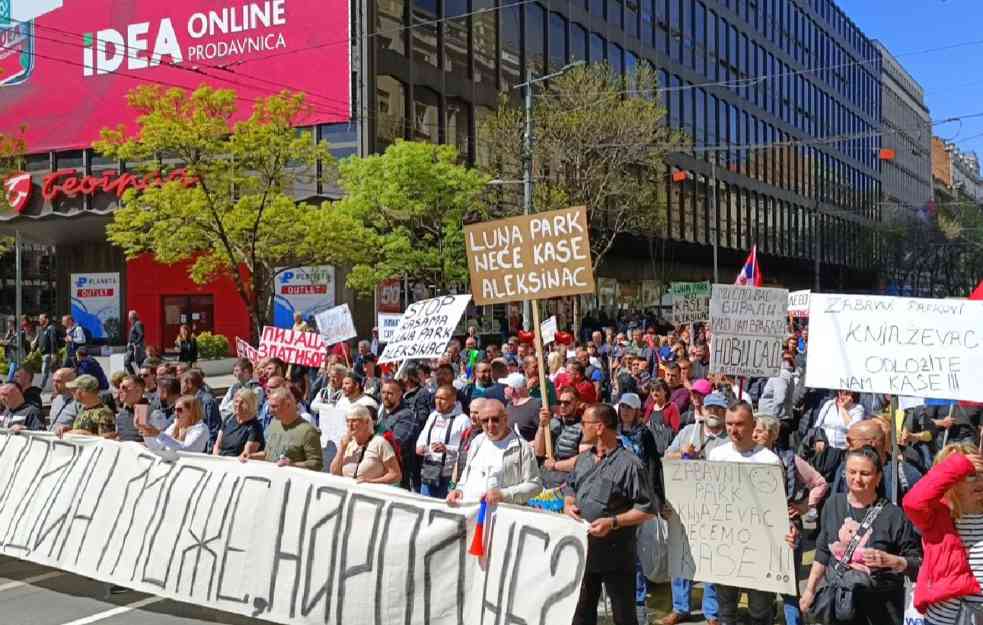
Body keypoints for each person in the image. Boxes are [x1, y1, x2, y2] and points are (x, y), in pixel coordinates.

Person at [799, 447, 922, 625]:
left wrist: (891, 560)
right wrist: (810, 589)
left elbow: (916, 562)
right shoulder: (833, 504)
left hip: (881, 608)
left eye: (865, 473)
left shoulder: (894, 515)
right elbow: (823, 551)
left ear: (878, 477)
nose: (857, 479)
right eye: (852, 472)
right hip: (840, 605)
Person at [564, 403, 659, 625]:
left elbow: (648, 509)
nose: (581, 428)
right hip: (584, 553)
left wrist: (614, 521)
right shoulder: (584, 459)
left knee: (623, 615)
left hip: (617, 555)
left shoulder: (630, 464)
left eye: (585, 423)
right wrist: (569, 504)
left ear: (599, 427)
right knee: (581, 612)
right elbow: (571, 487)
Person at [706, 402, 792, 625]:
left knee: (759, 610)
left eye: (740, 424)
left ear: (753, 425)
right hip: (726, 543)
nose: (734, 429)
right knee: (725, 610)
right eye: (729, 424)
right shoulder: (716, 455)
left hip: (760, 546)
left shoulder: (770, 460)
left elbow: (777, 507)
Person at [753, 414, 828, 625]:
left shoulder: (789, 459)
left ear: (773, 435)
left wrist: (804, 506)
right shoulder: (746, 457)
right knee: (761, 584)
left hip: (787, 528)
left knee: (788, 584)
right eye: (754, 429)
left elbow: (820, 483)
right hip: (755, 528)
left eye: (761, 430)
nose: (755, 433)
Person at [903, 443, 983, 625]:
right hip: (946, 618)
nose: (979, 481)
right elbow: (913, 502)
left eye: (981, 474)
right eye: (970, 475)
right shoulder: (936, 515)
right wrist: (959, 464)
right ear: (950, 480)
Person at [448, 398, 542, 506]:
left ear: (505, 419)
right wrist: (458, 490)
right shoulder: (477, 442)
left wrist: (503, 495)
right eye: (485, 420)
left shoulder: (521, 447)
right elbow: (466, 475)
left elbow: (535, 485)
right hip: (470, 512)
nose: (490, 425)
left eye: (495, 419)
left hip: (501, 516)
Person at [245, 387, 322, 470]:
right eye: (269, 406)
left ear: (288, 405)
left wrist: (293, 465)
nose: (270, 411)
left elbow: (317, 464)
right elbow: (268, 454)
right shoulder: (274, 423)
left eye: (274, 406)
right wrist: (251, 456)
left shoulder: (308, 431)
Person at [416, 385, 469, 498]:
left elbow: (466, 451)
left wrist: (447, 449)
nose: (438, 402)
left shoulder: (463, 420)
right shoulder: (433, 416)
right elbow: (422, 439)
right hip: (429, 473)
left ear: (453, 400)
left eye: (443, 399)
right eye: (436, 398)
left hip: (449, 476)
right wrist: (422, 447)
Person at [331, 404, 402, 485]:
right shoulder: (348, 445)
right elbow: (334, 473)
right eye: (348, 421)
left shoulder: (380, 443)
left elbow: (396, 475)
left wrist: (371, 482)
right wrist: (342, 449)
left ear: (367, 422)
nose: (350, 425)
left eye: (354, 420)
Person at [535, 386, 588, 489]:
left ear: (577, 404)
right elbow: (538, 452)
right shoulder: (552, 423)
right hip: (546, 478)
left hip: (568, 481)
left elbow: (583, 460)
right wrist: (542, 425)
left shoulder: (584, 427)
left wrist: (556, 465)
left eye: (567, 403)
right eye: (560, 402)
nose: (562, 405)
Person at [808, 390, 865, 482]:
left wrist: (843, 409)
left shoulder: (858, 409)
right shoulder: (829, 404)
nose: (843, 396)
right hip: (825, 449)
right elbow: (818, 424)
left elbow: (854, 429)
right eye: (841, 392)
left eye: (847, 393)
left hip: (842, 451)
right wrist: (819, 439)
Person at [376, 379, 418, 490]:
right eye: (383, 392)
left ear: (399, 394)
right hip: (381, 470)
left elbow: (395, 443)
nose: (385, 396)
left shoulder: (406, 415)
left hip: (398, 476)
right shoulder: (384, 412)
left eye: (390, 393)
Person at [140, 395, 210, 453]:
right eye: (174, 410)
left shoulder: (201, 429)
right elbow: (158, 447)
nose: (175, 413)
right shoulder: (175, 425)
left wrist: (158, 434)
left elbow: (186, 449)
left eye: (179, 410)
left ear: (191, 411)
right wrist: (145, 431)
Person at [212, 388, 265, 458]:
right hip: (221, 460)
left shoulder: (255, 427)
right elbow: (217, 444)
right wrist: (216, 457)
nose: (238, 405)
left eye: (243, 402)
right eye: (236, 401)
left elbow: (246, 454)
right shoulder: (228, 419)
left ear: (250, 405)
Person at [180, 369, 222, 447]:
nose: (180, 387)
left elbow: (213, 429)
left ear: (189, 384)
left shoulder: (207, 401)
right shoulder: (188, 400)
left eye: (181, 383)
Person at [503, 372, 542, 442]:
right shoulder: (509, 406)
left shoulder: (535, 405)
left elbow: (544, 432)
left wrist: (532, 444)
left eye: (506, 386)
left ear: (512, 390)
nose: (503, 389)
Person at [114, 375, 149, 443]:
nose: (120, 391)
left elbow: (144, 439)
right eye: (119, 387)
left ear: (138, 391)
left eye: (124, 388)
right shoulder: (122, 413)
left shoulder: (144, 410)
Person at [34, 313, 61, 391]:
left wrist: (53, 353)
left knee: (44, 371)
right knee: (54, 371)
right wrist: (33, 350)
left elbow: (53, 341)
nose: (39, 320)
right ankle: (58, 387)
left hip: (48, 354)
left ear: (46, 320)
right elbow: (38, 341)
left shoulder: (50, 328)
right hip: (43, 354)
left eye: (41, 319)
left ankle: (41, 388)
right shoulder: (41, 329)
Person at [125, 310, 146, 374]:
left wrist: (135, 343)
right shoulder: (134, 324)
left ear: (132, 317)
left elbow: (141, 334)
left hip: (135, 348)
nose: (128, 319)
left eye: (129, 317)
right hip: (132, 348)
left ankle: (137, 377)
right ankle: (137, 377)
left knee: (128, 363)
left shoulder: (138, 324)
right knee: (137, 363)